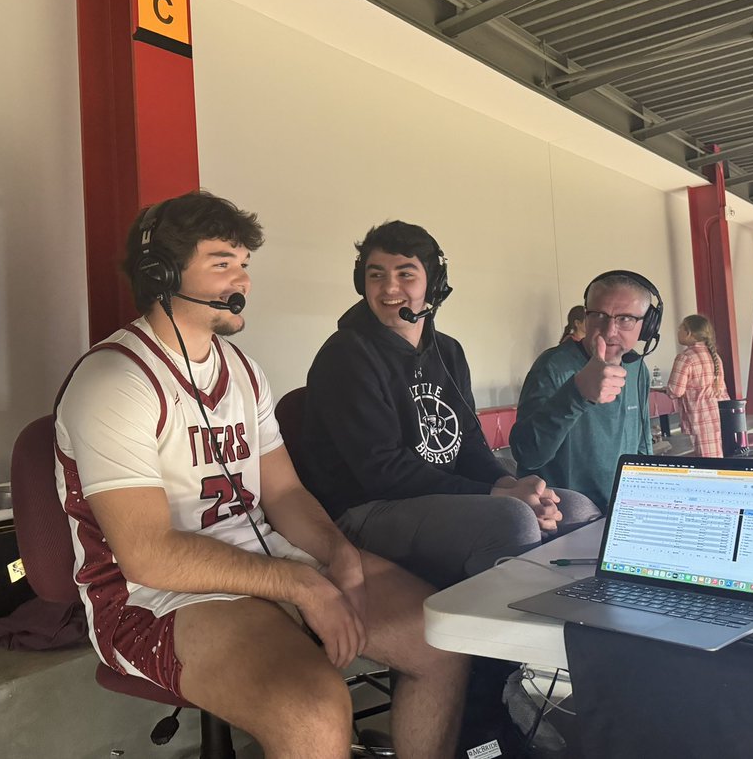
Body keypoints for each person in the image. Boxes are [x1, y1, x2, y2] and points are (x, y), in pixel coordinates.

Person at [54, 193, 468, 759]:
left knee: (441, 638)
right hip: (152, 598)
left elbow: (286, 494)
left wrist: (337, 553)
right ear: (163, 274)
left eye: (245, 263)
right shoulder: (113, 381)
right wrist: (301, 585)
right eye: (223, 263)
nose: (243, 279)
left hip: (266, 559)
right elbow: (148, 555)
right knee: (313, 708)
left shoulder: (244, 371)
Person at [293, 221, 599, 591]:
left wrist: (508, 483)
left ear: (433, 283)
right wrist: (496, 495)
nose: (389, 288)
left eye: (406, 274)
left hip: (437, 497)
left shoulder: (448, 351)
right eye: (376, 275)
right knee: (512, 520)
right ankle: (497, 646)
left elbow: (468, 442)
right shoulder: (345, 355)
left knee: (575, 508)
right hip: (367, 509)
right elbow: (382, 471)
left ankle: (576, 630)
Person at [510, 271, 660, 513]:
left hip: (620, 513)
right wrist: (578, 393)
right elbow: (527, 454)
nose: (610, 330)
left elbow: (642, 447)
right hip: (566, 519)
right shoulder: (553, 366)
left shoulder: (637, 369)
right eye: (599, 315)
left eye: (625, 319)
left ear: (646, 326)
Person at [666, 314, 730, 457]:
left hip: (701, 416)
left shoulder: (685, 357)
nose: (678, 332)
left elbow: (675, 391)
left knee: (707, 464)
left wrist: (662, 390)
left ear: (688, 333)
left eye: (680, 328)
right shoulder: (714, 356)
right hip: (721, 413)